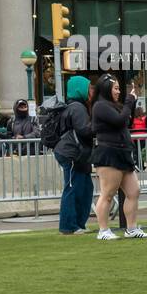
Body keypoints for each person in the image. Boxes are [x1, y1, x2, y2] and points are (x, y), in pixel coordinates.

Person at [91, 75, 147, 240]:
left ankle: (131, 228)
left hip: (122, 152)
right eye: (115, 88)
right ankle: (103, 230)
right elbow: (119, 121)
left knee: (134, 191)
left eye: (118, 88)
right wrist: (129, 101)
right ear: (106, 89)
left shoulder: (113, 105)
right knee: (108, 193)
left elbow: (126, 121)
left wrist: (129, 104)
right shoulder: (100, 106)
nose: (118, 92)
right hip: (109, 153)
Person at [55, 75, 94, 236]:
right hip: (72, 154)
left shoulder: (74, 107)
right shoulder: (77, 108)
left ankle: (77, 223)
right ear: (81, 90)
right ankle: (69, 225)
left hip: (75, 153)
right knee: (73, 188)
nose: (92, 91)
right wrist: (99, 127)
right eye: (89, 88)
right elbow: (84, 130)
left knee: (84, 188)